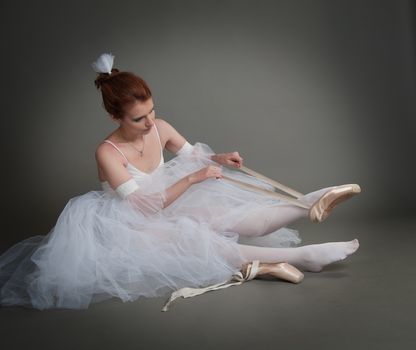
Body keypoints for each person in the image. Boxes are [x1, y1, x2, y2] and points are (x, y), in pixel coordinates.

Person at [0, 53, 360, 311]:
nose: (150, 122)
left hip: (169, 201)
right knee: (197, 240)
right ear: (115, 116)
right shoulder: (108, 152)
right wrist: (194, 177)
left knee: (231, 216)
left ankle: (308, 202)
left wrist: (218, 159)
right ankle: (303, 257)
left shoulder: (161, 127)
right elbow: (143, 206)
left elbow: (192, 157)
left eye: (152, 111)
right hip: (130, 224)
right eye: (139, 118)